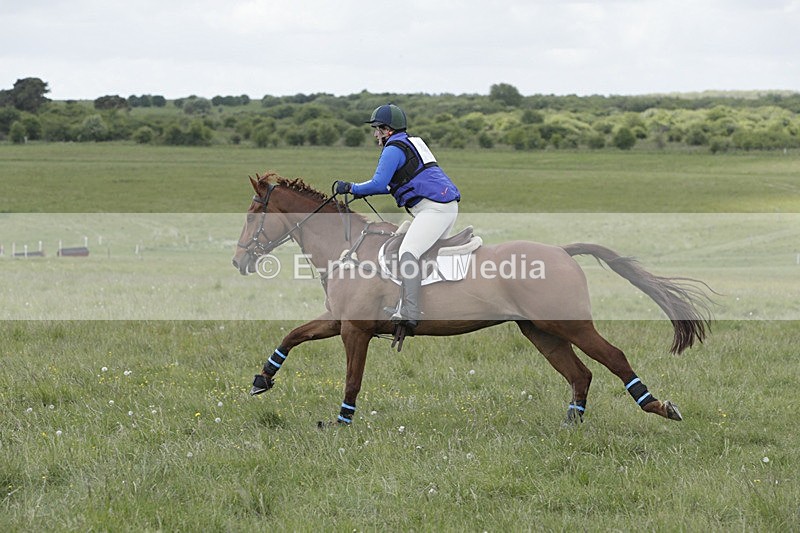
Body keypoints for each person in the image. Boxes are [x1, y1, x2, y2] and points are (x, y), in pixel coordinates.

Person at [335, 104, 461, 331]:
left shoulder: (393, 148)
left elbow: (378, 184)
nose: (375, 135)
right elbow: (392, 185)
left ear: (387, 130)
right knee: (421, 254)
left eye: (377, 129)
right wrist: (358, 190)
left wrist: (351, 187)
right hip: (443, 207)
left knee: (408, 252)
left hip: (434, 209)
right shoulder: (412, 142)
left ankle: (410, 311)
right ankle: (428, 300)